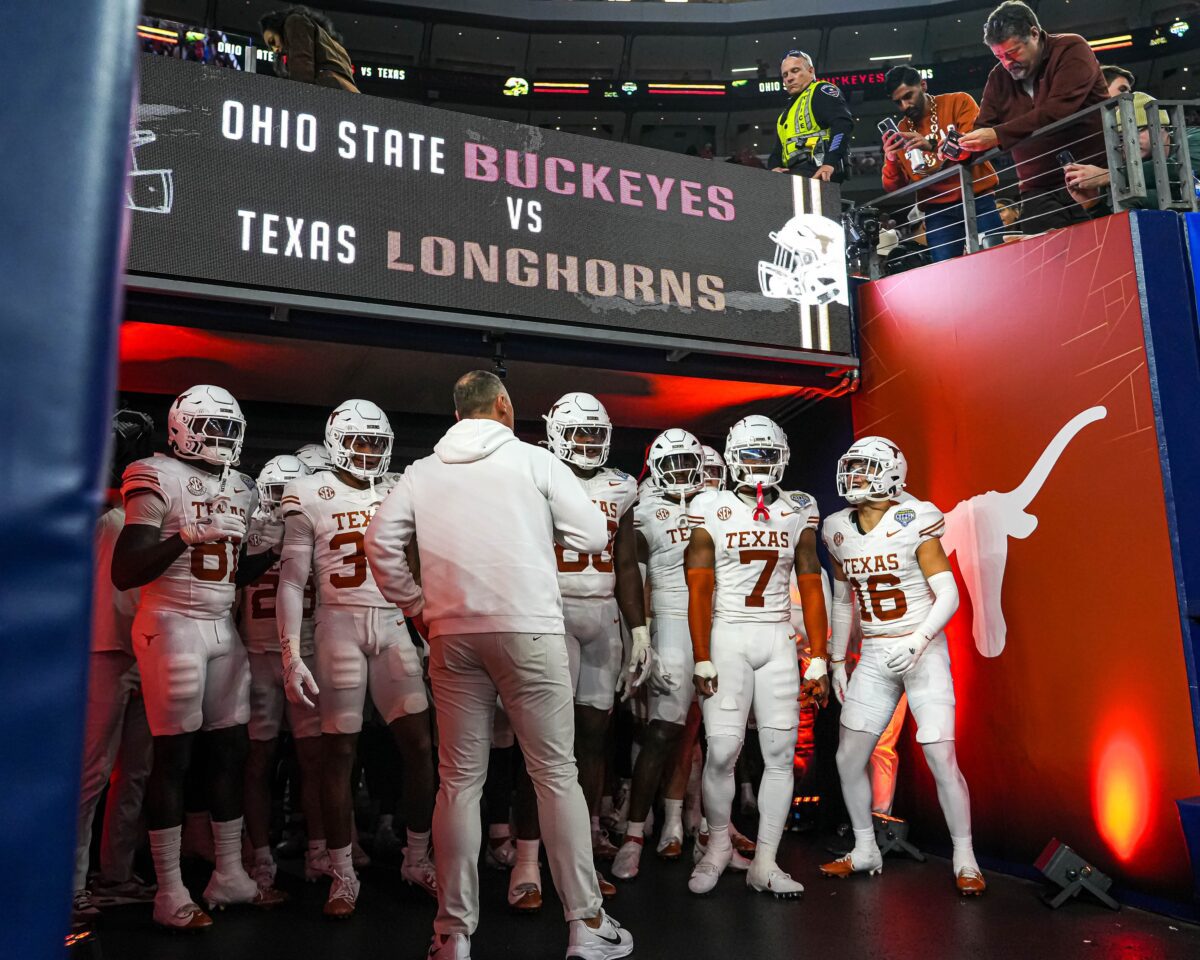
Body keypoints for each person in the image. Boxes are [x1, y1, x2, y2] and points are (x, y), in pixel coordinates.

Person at [364, 370, 633, 960]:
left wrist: (416, 605)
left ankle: (453, 935)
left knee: (459, 782)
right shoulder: (535, 462)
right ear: (505, 407)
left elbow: (378, 544)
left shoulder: (422, 471)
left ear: (458, 413)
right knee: (556, 775)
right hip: (529, 628)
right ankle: (585, 924)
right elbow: (591, 535)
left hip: (453, 634)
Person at [112, 385, 287, 929]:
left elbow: (234, 574)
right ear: (181, 428)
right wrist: (185, 535)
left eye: (231, 430)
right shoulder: (154, 473)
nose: (224, 440)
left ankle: (230, 873)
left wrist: (273, 547)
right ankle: (169, 891)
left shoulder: (242, 483)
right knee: (175, 757)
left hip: (221, 627)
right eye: (212, 429)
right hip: (171, 623)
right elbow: (126, 569)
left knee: (230, 751)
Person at [276, 399, 436, 918]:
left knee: (419, 745)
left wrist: (427, 628)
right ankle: (341, 870)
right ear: (336, 441)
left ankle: (417, 856)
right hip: (338, 625)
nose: (367, 451)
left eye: (375, 441)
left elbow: (418, 563)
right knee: (337, 752)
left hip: (391, 624)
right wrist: (289, 651)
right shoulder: (309, 492)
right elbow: (292, 579)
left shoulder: (397, 488)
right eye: (358, 440)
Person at [818, 437, 984, 895]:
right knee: (848, 758)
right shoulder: (837, 528)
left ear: (890, 476)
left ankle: (965, 857)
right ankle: (866, 845)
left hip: (922, 648)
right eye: (851, 467)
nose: (852, 477)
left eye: (863, 468)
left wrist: (918, 639)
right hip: (873, 652)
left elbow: (948, 594)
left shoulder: (914, 520)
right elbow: (842, 597)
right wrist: (836, 658)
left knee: (940, 756)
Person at [685, 415, 830, 899]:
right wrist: (701, 654)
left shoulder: (798, 508)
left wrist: (820, 657)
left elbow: (810, 582)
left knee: (780, 755)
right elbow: (699, 585)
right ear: (731, 456)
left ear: (783, 456)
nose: (760, 464)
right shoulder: (711, 505)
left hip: (777, 637)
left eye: (768, 454)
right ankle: (718, 846)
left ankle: (765, 861)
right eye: (751, 454)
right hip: (728, 634)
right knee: (723, 750)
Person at [73, 410, 157, 925]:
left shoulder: (149, 501)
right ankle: (70, 883)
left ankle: (116, 874)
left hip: (149, 648)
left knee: (136, 772)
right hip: (104, 646)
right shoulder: (98, 502)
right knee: (91, 774)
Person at [612, 429, 704, 880]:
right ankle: (633, 832)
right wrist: (640, 645)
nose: (685, 473)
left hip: (718, 621)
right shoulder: (645, 510)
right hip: (670, 620)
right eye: (676, 463)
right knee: (661, 732)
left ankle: (702, 829)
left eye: (692, 462)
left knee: (716, 741)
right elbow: (634, 584)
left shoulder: (714, 502)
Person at [239, 454, 329, 890]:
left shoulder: (310, 527)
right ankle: (260, 854)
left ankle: (315, 848)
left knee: (310, 761)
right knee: (260, 760)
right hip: (259, 657)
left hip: (301, 654)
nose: (279, 502)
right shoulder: (249, 532)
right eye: (273, 492)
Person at [961, 1, 1109, 234]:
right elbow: (983, 127)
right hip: (1036, 189)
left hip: (1091, 174)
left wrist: (997, 134)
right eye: (999, 56)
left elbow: (1058, 110)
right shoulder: (999, 75)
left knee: (1104, 255)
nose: (1008, 62)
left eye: (1013, 52)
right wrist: (959, 145)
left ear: (1034, 33)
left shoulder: (1072, 47)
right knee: (1046, 267)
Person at [881, 66, 1003, 262]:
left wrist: (929, 145)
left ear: (923, 85)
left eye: (908, 96)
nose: (905, 106)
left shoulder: (958, 102)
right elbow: (894, 187)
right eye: (898, 102)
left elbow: (973, 144)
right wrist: (891, 160)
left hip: (976, 196)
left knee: (996, 261)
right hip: (937, 211)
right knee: (946, 273)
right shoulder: (902, 129)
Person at [1065, 92, 1200, 213]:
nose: (1130, 141)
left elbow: (1179, 168)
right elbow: (1121, 233)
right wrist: (1093, 205)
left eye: (1138, 129)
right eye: (1122, 137)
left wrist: (1109, 176)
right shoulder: (1133, 167)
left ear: (1162, 126)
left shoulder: (1194, 138)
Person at [768, 50, 855, 182]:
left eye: (795, 70)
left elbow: (842, 125)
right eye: (785, 75)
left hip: (817, 171)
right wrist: (773, 168)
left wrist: (829, 162)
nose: (789, 78)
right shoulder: (785, 114)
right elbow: (778, 150)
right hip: (794, 175)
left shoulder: (820, 90)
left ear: (811, 71)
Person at [259, 5, 359, 93]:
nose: (274, 49)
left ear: (277, 27)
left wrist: (299, 94)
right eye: (270, 48)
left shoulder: (293, 21)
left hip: (328, 88)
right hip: (350, 93)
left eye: (272, 41)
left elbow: (301, 61)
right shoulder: (333, 44)